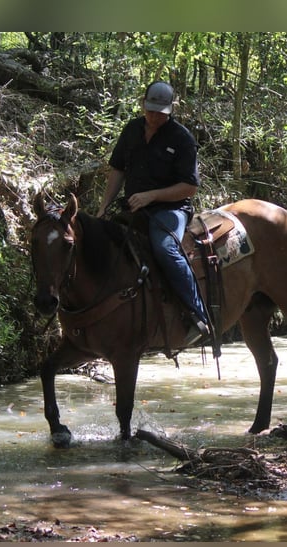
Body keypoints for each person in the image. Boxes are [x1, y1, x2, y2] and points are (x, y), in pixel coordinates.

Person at [97, 80, 210, 347]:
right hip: (133, 207)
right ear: (142, 104)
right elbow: (117, 170)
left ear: (171, 110)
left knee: (165, 249)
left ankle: (197, 315)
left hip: (171, 209)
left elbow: (189, 187)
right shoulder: (132, 130)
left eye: (160, 111)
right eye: (150, 109)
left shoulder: (182, 139)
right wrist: (103, 206)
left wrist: (152, 195)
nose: (154, 115)